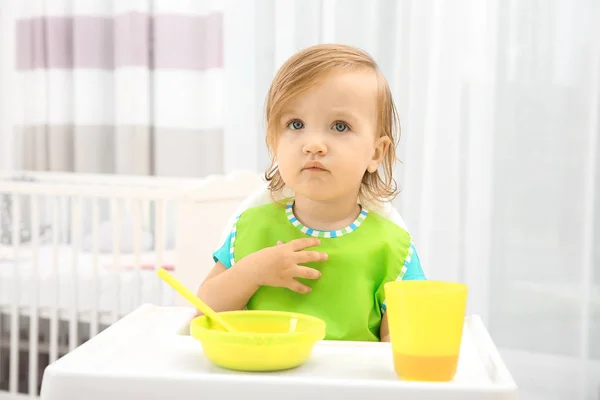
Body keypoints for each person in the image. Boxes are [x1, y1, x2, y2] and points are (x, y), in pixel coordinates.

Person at [196, 43, 426, 342]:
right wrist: (250, 273)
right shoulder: (252, 229)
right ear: (274, 142)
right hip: (262, 380)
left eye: (340, 126)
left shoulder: (393, 248)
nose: (313, 144)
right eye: (296, 124)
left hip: (349, 387)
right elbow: (203, 316)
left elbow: (405, 345)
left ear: (376, 152)